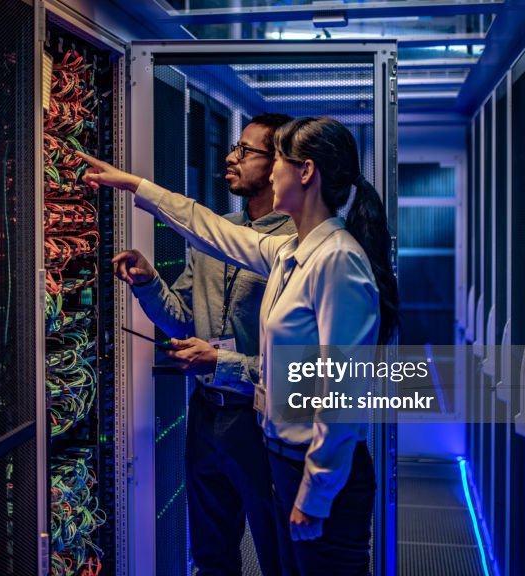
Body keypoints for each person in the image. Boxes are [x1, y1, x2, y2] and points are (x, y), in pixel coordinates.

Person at [78, 116, 399, 576]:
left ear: (305, 172)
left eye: (278, 162)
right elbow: (206, 227)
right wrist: (132, 185)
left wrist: (315, 494)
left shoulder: (338, 260)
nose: (270, 174)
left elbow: (345, 394)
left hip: (318, 472)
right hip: (286, 460)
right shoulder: (290, 253)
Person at [112, 113, 295, 576]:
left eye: (245, 150)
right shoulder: (213, 237)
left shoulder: (297, 246)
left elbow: (301, 366)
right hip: (208, 416)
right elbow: (181, 322)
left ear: (278, 165)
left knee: (279, 554)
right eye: (233, 147)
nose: (230, 158)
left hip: (263, 420)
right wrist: (148, 282)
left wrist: (222, 361)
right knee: (210, 557)